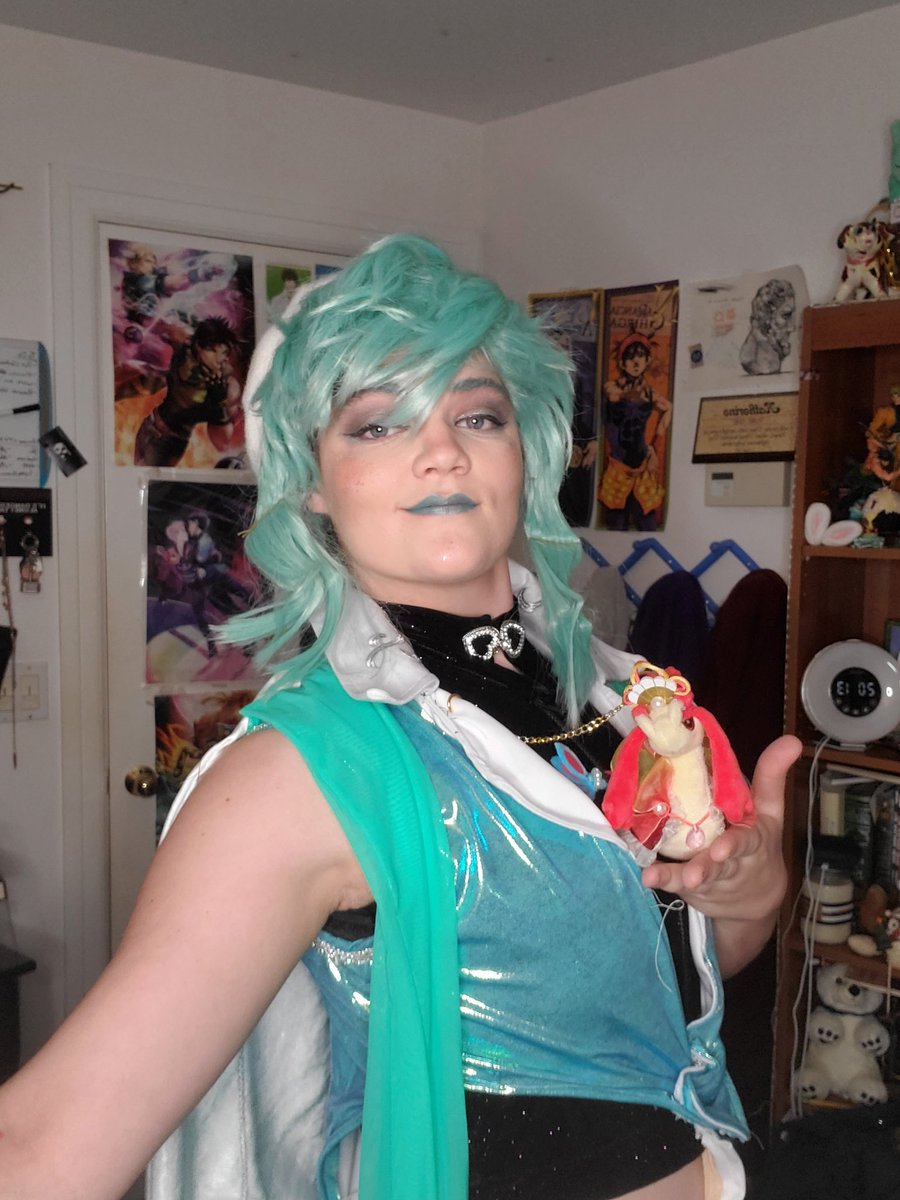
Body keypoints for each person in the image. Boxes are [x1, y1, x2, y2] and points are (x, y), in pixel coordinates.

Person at [0, 235, 797, 1200]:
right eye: (378, 424)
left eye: (477, 414)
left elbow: (666, 981)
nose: (441, 449)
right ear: (309, 477)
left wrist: (748, 895)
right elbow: (43, 1149)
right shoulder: (302, 773)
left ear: (525, 447)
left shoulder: (621, 698)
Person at [133, 316, 242, 467]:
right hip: (149, 425)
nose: (218, 358)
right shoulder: (184, 350)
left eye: (224, 353)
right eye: (212, 350)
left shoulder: (225, 387)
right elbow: (160, 325)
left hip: (169, 444)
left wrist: (218, 404)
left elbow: (222, 443)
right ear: (199, 347)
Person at [598, 330, 672, 530]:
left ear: (647, 360)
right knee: (615, 525)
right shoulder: (612, 387)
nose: (636, 362)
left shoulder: (650, 393)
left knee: (647, 524)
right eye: (630, 357)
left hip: (642, 468)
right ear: (622, 363)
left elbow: (668, 408)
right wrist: (633, 395)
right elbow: (613, 395)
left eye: (640, 356)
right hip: (618, 470)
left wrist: (655, 444)